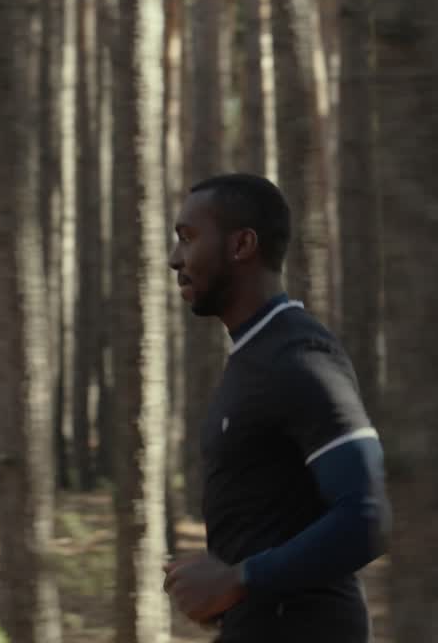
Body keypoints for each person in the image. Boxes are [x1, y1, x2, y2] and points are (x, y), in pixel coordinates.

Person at [162, 173, 392, 642]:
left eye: (188, 238)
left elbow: (370, 516)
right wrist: (225, 586)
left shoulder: (299, 356)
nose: (175, 260)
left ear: (242, 244)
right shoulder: (256, 355)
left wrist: (238, 579)